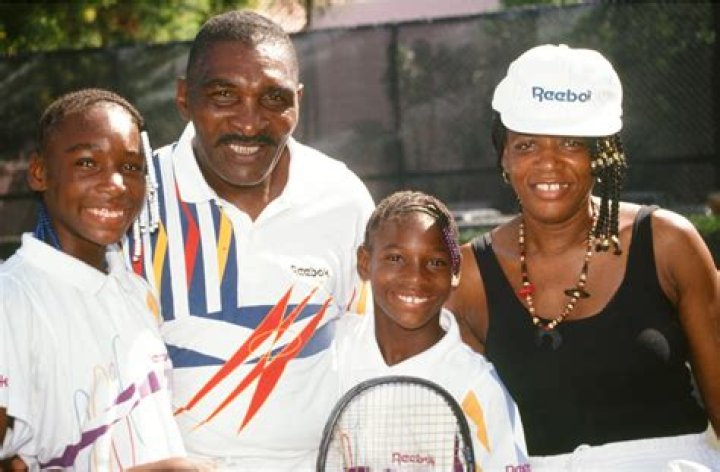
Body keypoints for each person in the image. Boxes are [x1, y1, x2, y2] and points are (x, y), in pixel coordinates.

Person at [446, 44, 720, 469]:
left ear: (600, 154)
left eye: (571, 143)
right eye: (526, 145)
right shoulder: (469, 278)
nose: (548, 163)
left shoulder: (669, 242)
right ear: (504, 155)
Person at [127, 10, 375, 471]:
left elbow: (369, 341)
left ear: (298, 102)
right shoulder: (135, 199)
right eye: (224, 95)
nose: (249, 121)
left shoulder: (342, 197)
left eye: (274, 98)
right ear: (184, 97)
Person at [0, 89, 198, 470]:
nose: (116, 184)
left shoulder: (134, 289)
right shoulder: (11, 299)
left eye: (132, 167)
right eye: (88, 163)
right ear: (39, 173)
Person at [332, 190, 529, 470]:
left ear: (455, 272)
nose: (415, 277)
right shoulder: (332, 351)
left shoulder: (476, 386)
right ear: (364, 263)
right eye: (395, 258)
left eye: (436, 262)